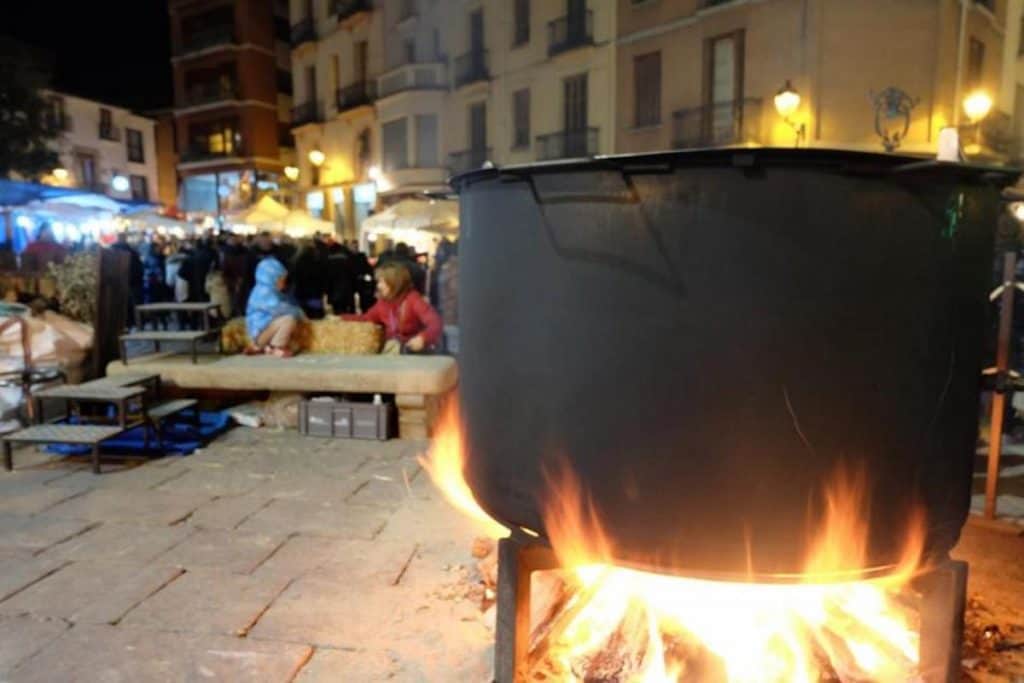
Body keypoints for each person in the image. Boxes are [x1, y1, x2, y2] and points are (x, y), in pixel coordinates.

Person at [344, 261, 441, 354]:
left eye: (382, 282)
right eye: (378, 282)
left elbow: (435, 323)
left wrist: (423, 338)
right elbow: (366, 319)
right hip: (393, 352)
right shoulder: (383, 303)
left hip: (411, 354)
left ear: (394, 283)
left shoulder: (413, 299)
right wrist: (341, 318)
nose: (378, 286)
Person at [245, 257, 303, 357]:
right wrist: (299, 312)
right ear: (271, 278)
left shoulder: (266, 290)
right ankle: (276, 346)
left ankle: (263, 347)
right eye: (280, 280)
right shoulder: (265, 293)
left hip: (262, 331)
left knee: (287, 317)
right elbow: (280, 309)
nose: (283, 283)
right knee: (289, 319)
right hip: (260, 333)